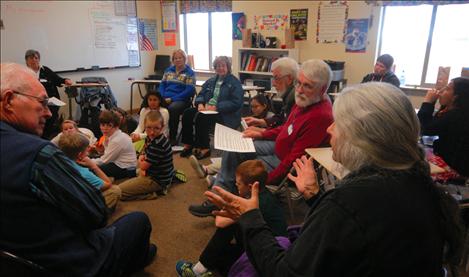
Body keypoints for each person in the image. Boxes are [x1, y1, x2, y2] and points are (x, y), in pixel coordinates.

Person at [205, 82, 463, 276]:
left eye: (337, 124)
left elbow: (284, 273)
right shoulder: (417, 181)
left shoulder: (348, 199)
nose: (328, 129)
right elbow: (355, 231)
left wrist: (250, 216)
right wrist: (315, 196)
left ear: (363, 138)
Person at [0, 63, 156, 276]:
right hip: (72, 263)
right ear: (9, 101)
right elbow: (96, 214)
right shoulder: (39, 155)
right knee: (138, 220)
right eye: (42, 103)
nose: (48, 113)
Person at [189, 59, 333, 217]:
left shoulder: (319, 116)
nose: (299, 90)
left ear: (323, 89)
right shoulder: (306, 101)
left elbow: (293, 161)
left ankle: (218, 197)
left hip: (282, 161)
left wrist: (266, 180)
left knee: (242, 164)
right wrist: (262, 133)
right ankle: (221, 188)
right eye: (299, 83)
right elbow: (286, 128)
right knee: (236, 146)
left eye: (307, 86)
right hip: (278, 149)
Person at [176, 160, 287, 276]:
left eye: (238, 183)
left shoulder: (257, 204)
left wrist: (224, 206)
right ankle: (205, 268)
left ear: (250, 187)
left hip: (268, 259)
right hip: (265, 247)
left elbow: (220, 223)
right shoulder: (262, 194)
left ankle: (197, 271)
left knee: (228, 226)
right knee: (220, 254)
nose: (235, 184)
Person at [180, 56, 243, 160]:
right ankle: (188, 144)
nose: (220, 68)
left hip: (226, 114)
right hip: (207, 109)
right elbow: (201, 94)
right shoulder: (211, 81)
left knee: (202, 117)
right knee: (187, 113)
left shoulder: (234, 82)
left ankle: (204, 148)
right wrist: (200, 103)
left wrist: (216, 107)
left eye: (223, 65)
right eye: (218, 66)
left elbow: (236, 102)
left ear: (228, 67)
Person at [418, 77, 469, 177]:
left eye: (447, 89)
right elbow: (433, 124)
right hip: (446, 158)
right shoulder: (451, 110)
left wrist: (428, 102)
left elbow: (425, 128)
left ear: (455, 97)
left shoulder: (457, 115)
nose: (441, 92)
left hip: (455, 168)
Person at [119, 111, 175, 200]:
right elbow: (144, 151)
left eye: (156, 128)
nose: (152, 132)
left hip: (156, 180)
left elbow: (143, 166)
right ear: (144, 126)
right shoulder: (150, 137)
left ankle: (153, 193)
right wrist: (143, 157)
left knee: (120, 192)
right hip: (153, 172)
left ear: (162, 127)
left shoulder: (158, 144)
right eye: (148, 128)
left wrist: (140, 159)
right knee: (129, 171)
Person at [58, 132, 122, 211]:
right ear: (80, 155)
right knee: (115, 190)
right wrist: (94, 166)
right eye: (86, 150)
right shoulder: (83, 173)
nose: (88, 152)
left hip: (66, 199)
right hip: (80, 206)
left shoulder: (56, 162)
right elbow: (108, 184)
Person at [24, 49, 73, 139]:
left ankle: (46, 137)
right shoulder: (24, 73)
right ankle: (39, 137)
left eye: (36, 58)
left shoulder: (45, 70)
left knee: (50, 118)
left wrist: (65, 80)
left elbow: (58, 80)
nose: (34, 60)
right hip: (34, 102)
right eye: (31, 58)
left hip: (50, 101)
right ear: (27, 61)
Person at [244, 57, 299, 129]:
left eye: (276, 78)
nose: (273, 84)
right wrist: (262, 121)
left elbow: (288, 129)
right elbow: (282, 118)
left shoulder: (295, 99)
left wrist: (263, 132)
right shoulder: (289, 95)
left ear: (289, 78)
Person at [158, 49, 196, 145]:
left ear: (184, 59)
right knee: (150, 103)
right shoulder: (168, 70)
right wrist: (161, 97)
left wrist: (172, 99)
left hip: (181, 99)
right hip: (165, 97)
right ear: (173, 60)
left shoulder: (190, 72)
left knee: (173, 108)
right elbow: (162, 85)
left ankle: (172, 136)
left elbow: (189, 91)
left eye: (180, 58)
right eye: (175, 58)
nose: (178, 60)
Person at [91, 110, 137, 180]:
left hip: (127, 169)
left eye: (109, 125)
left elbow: (104, 161)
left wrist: (88, 161)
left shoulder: (117, 140)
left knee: (93, 169)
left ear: (116, 126)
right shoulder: (110, 135)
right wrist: (100, 151)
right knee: (92, 161)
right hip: (117, 163)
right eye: (103, 125)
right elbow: (107, 154)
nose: (105, 128)